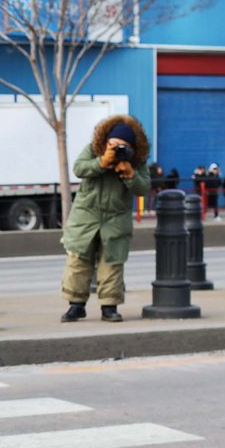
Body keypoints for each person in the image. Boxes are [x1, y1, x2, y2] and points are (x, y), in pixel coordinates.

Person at [59, 114, 150, 323]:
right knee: (78, 260)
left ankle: (109, 307)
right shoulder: (93, 149)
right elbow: (79, 168)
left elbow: (144, 188)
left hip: (115, 219)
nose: (118, 149)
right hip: (86, 216)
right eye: (114, 144)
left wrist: (130, 174)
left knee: (112, 263)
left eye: (123, 146)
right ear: (106, 141)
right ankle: (76, 306)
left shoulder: (136, 161)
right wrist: (102, 162)